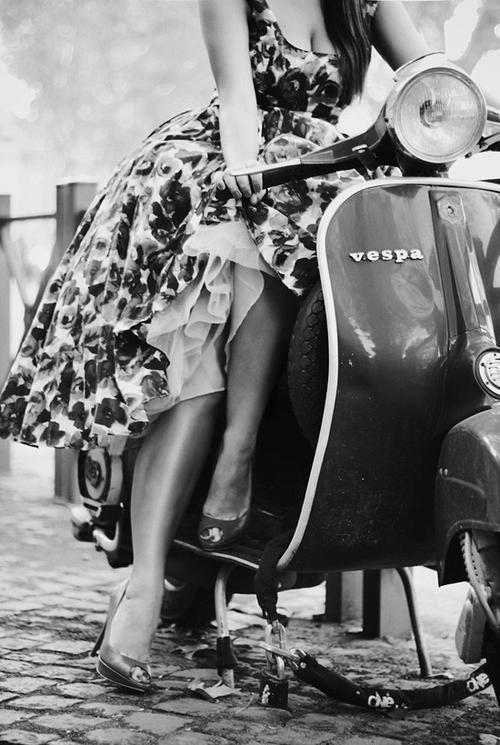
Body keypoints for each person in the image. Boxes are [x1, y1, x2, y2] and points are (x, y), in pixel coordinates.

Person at [0, 0, 429, 692]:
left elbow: (433, 78)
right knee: (201, 350)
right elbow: (237, 96)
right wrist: (246, 169)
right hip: (225, 165)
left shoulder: (365, 2)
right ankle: (152, 573)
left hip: (319, 169)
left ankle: (270, 468)